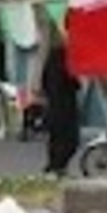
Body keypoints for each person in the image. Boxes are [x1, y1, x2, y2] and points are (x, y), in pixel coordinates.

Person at [40, 44, 82, 176]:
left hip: (54, 102)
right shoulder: (66, 56)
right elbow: (74, 83)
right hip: (65, 103)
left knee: (57, 137)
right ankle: (57, 167)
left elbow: (44, 79)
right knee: (69, 139)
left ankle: (56, 167)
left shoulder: (56, 54)